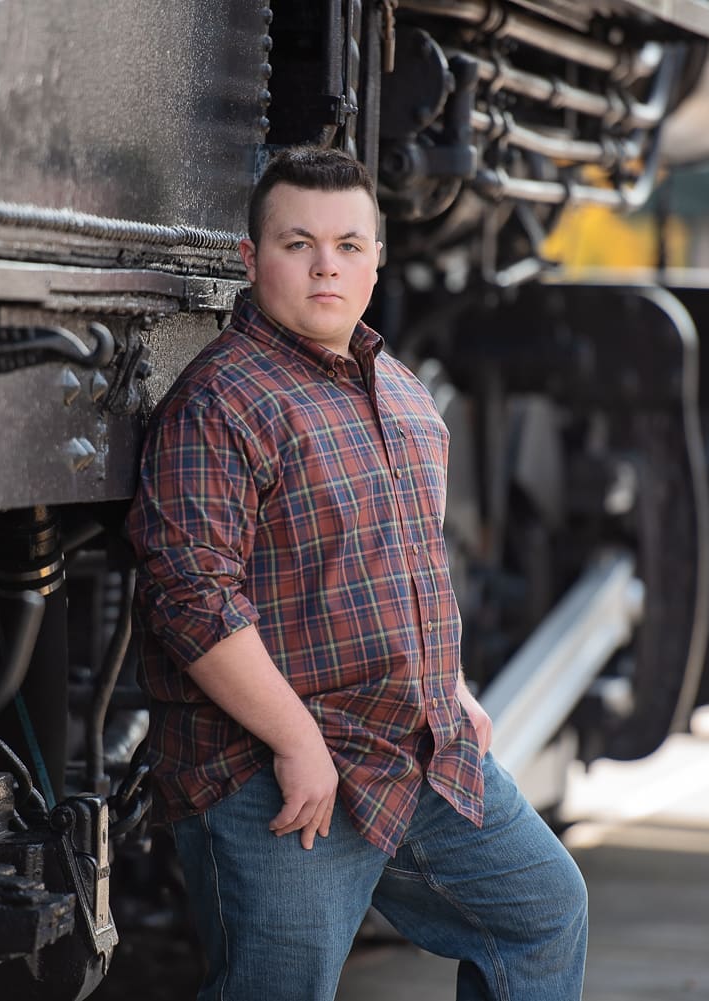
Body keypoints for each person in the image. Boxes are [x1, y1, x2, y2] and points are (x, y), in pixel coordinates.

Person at [126, 145, 588, 1001]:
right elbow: (190, 601)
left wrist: (452, 686)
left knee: (543, 912)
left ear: (378, 257)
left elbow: (412, 563)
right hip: (279, 771)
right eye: (297, 243)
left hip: (417, 754)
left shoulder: (405, 395)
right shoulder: (218, 402)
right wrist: (298, 743)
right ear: (251, 257)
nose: (325, 265)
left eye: (347, 244)